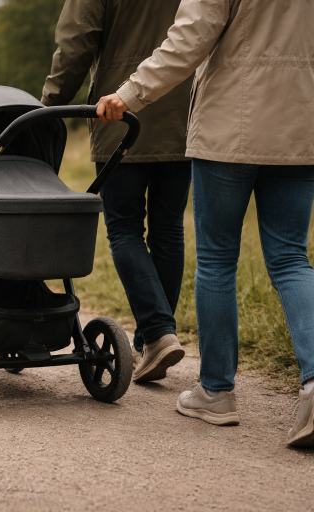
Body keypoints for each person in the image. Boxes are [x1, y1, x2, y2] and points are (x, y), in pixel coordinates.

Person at [96, 0, 314, 446]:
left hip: (230, 124)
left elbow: (189, 38)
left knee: (216, 260)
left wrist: (129, 93)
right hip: (300, 123)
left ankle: (216, 392)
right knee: (291, 259)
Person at [42, 0, 190, 382]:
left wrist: (48, 108)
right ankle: (151, 341)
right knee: (168, 229)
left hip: (120, 109)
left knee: (124, 228)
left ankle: (156, 334)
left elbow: (76, 43)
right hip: (182, 109)